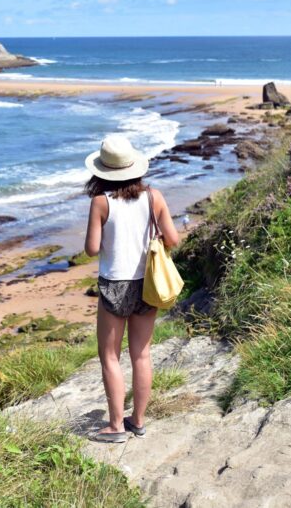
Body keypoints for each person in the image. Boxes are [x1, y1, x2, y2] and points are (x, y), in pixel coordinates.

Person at [82, 135, 180, 442]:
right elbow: (173, 240)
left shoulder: (101, 202)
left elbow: (91, 249)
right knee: (141, 354)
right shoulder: (154, 197)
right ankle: (137, 421)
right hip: (146, 283)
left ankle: (115, 426)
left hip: (114, 284)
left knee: (110, 356)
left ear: (102, 170)